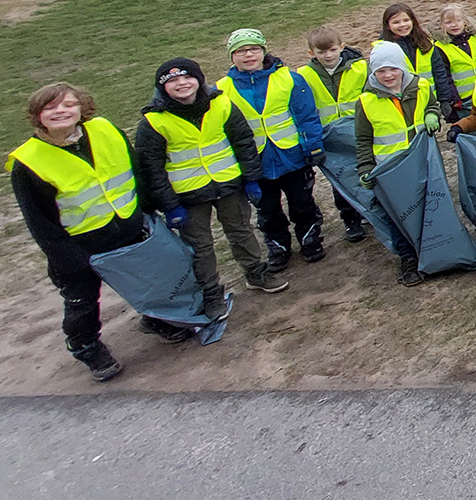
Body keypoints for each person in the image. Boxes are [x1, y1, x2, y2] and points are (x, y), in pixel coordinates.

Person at [11, 83, 188, 381]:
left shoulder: (105, 129)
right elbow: (40, 223)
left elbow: (135, 170)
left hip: (125, 229)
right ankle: (85, 345)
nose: (61, 112)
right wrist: (71, 258)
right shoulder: (28, 162)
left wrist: (151, 209)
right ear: (37, 116)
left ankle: (155, 318)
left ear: (81, 107)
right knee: (82, 302)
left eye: (68, 105)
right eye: (50, 108)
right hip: (78, 245)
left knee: (145, 281)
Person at [132, 58, 284, 304]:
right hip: (188, 196)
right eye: (172, 81)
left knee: (241, 231)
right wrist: (169, 205)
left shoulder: (221, 103)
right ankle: (210, 292)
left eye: (187, 77)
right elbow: (152, 169)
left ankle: (256, 273)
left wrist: (251, 178)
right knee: (199, 246)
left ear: (199, 80)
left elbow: (243, 141)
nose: (182, 84)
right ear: (162, 88)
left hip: (229, 185)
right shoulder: (153, 122)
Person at [216, 28, 327, 273]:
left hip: (293, 155)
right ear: (232, 56)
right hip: (255, 162)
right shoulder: (222, 90)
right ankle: (278, 247)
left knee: (302, 202)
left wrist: (313, 145)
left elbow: (307, 114)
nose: (249, 55)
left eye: (254, 49)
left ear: (263, 51)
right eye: (241, 51)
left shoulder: (289, 78)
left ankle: (310, 239)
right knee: (267, 209)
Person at [355, 42, 440, 286]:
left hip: (422, 162)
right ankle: (408, 259)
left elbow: (431, 106)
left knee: (428, 207)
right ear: (373, 74)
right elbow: (362, 139)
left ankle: (432, 250)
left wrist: (432, 114)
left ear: (402, 67)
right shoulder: (366, 102)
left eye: (393, 69)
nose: (388, 76)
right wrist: (365, 169)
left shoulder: (422, 87)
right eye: (381, 71)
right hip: (390, 170)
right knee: (398, 217)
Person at [297, 26, 369, 242]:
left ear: (342, 47)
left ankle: (372, 212)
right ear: (312, 54)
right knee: (341, 180)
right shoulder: (303, 76)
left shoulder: (360, 68)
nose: (328, 56)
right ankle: (351, 220)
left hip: (359, 131)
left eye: (332, 50)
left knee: (368, 173)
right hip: (329, 139)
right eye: (321, 52)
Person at [432, 5, 476, 121]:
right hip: (463, 99)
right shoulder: (440, 47)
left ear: (465, 22)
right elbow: (444, 76)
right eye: (448, 22)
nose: (454, 25)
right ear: (441, 25)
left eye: (458, 21)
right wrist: (453, 99)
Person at [376, 2, 437, 78]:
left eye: (406, 20)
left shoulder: (426, 42)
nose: (402, 24)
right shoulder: (382, 49)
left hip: (429, 89)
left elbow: (439, 71)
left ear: (413, 21)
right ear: (387, 26)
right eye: (396, 22)